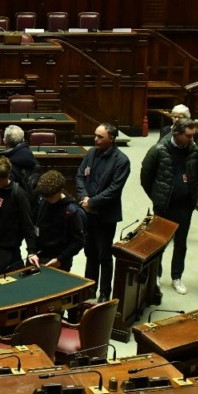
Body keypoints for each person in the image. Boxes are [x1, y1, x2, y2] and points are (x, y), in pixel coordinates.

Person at [140, 117, 198, 295]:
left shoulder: (195, 151)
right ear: (177, 134)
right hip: (164, 206)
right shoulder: (158, 150)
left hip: (185, 206)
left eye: (193, 135)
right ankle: (156, 276)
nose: (192, 139)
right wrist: (157, 197)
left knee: (181, 244)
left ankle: (176, 277)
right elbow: (146, 176)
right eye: (188, 136)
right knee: (159, 243)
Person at [76, 122, 131, 302]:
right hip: (87, 214)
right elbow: (79, 177)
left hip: (105, 216)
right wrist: (85, 198)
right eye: (96, 135)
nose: (95, 139)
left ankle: (105, 292)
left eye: (100, 137)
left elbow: (114, 189)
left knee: (104, 256)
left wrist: (92, 202)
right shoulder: (91, 153)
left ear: (112, 139)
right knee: (89, 252)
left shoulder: (121, 160)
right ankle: (90, 287)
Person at [28, 171, 86, 273]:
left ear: (60, 191)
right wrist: (31, 252)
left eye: (50, 197)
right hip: (37, 257)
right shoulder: (42, 201)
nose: (48, 199)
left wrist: (60, 259)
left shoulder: (71, 211)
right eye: (45, 196)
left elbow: (78, 242)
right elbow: (33, 228)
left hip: (58, 261)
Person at [1, 124, 42, 204]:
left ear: (4, 141)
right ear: (23, 140)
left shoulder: (5, 166)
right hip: (33, 206)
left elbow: (2, 193)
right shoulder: (33, 159)